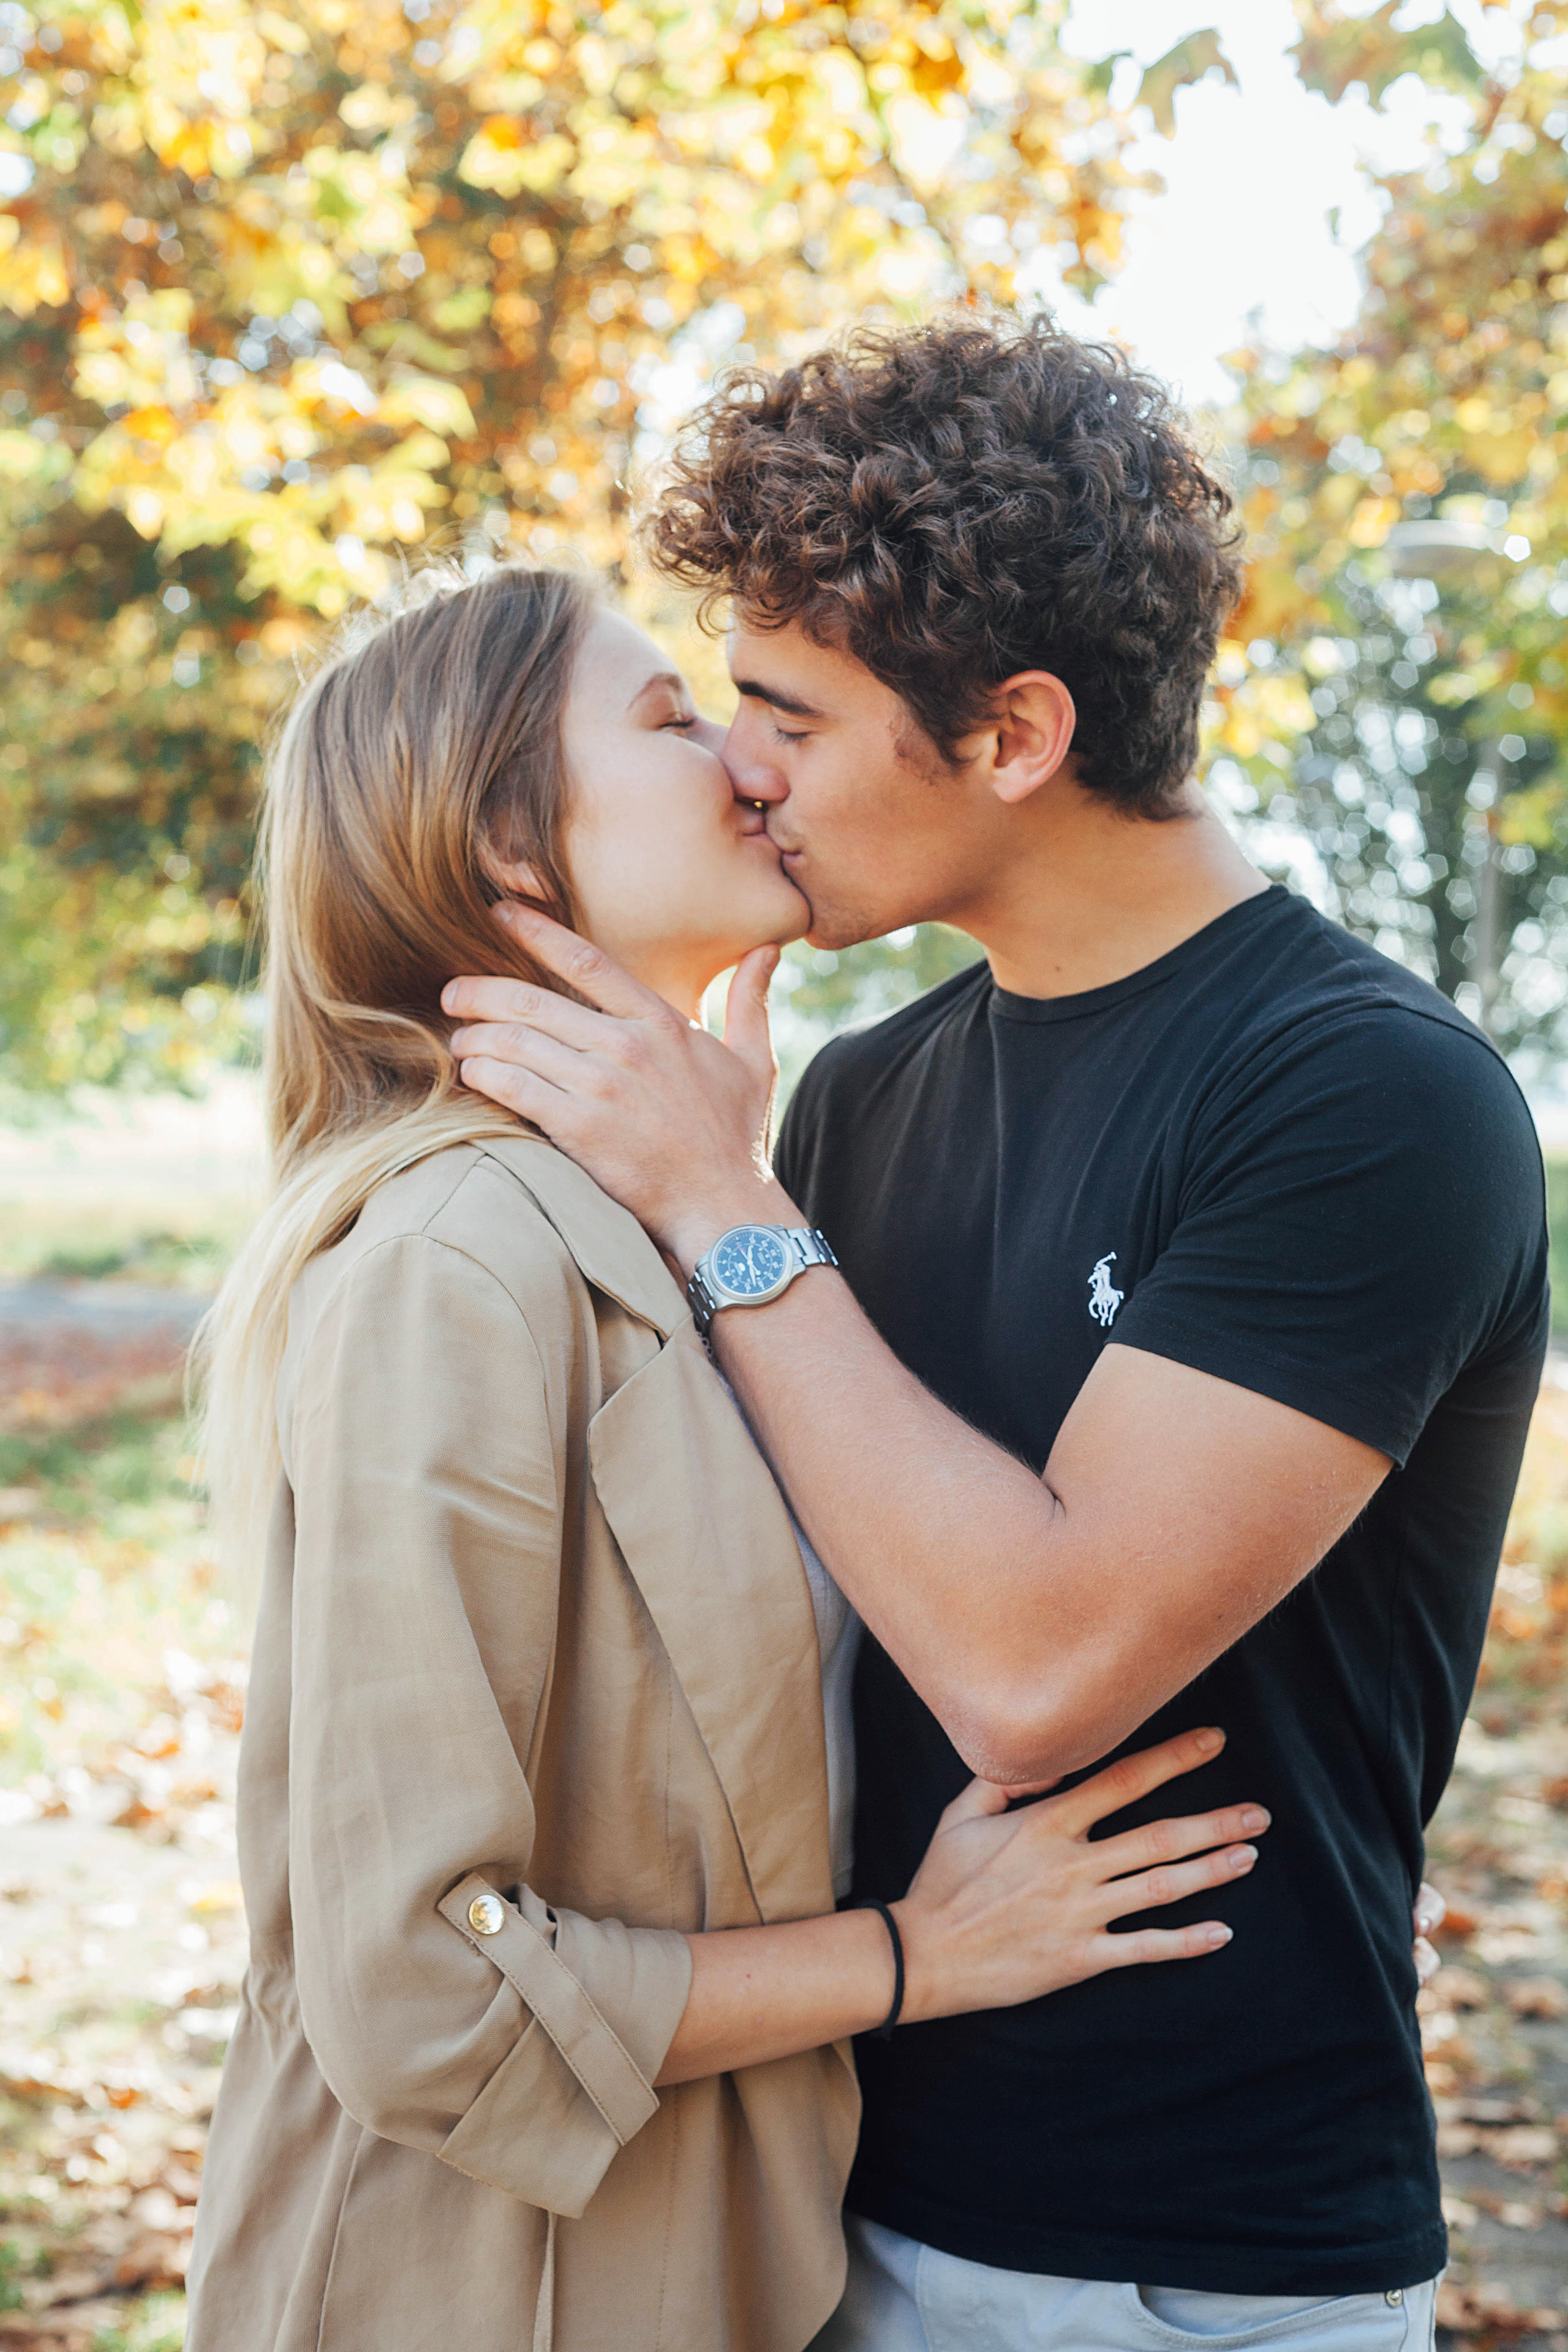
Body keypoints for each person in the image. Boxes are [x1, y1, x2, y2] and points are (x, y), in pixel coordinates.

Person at [444, 315, 1549, 2351]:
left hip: (1189, 2264)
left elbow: (1034, 1669)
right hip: (827, 2188)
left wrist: (722, 1203)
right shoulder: (862, 1093)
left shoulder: (1367, 1097)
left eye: (786, 710)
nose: (740, 767)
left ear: (1017, 732)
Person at [181, 561, 1276, 2352]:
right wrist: (924, 1956)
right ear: (512, 856)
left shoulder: (664, 1219)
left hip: (718, 2252)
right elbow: (411, 1986)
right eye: (673, 717)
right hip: (484, 2288)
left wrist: (719, 1189)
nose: (749, 765)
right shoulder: (458, 1259)